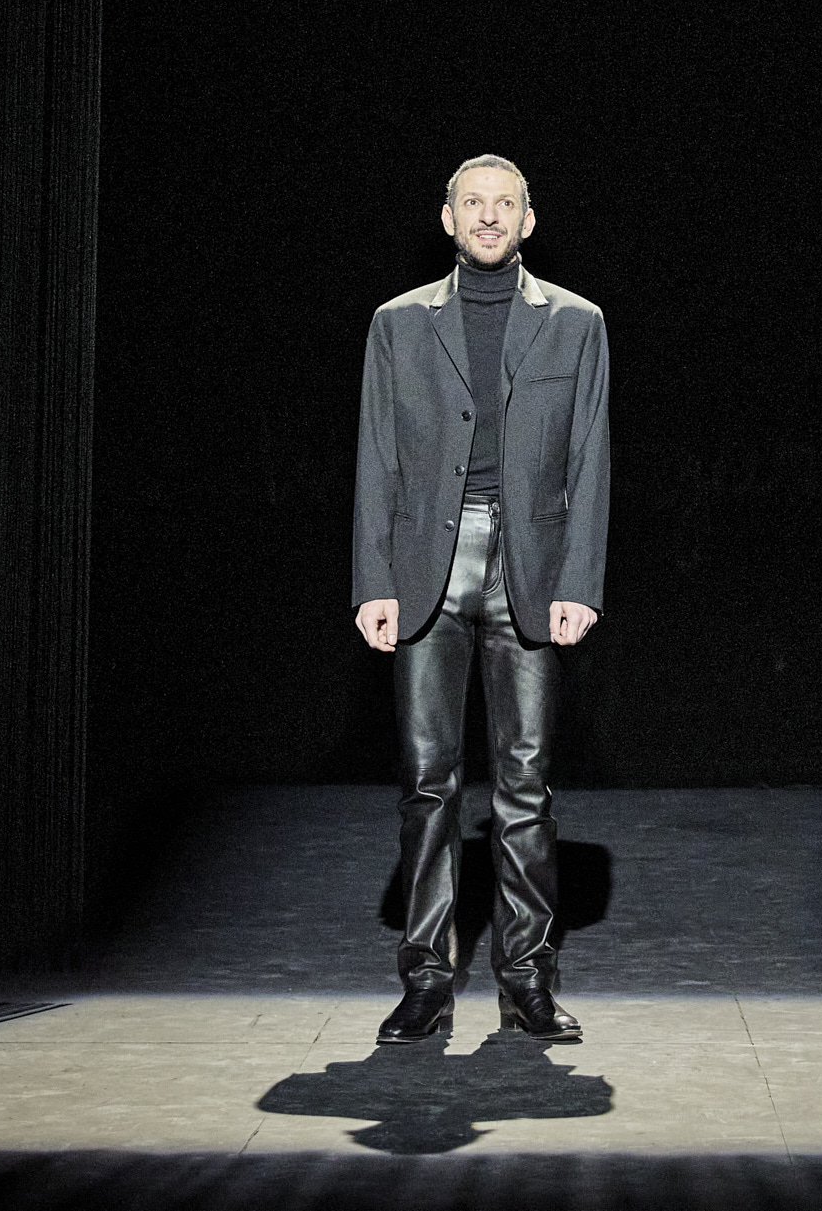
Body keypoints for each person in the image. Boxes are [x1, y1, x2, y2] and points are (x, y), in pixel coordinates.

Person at [352, 154, 609, 1044]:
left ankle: (526, 977)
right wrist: (373, 580)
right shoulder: (398, 322)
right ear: (449, 218)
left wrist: (579, 582)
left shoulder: (576, 322)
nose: (489, 216)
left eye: (505, 204)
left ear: (528, 220)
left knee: (525, 783)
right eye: (474, 203)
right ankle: (426, 979)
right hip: (428, 560)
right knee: (428, 781)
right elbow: (377, 455)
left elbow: (590, 458)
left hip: (529, 565)